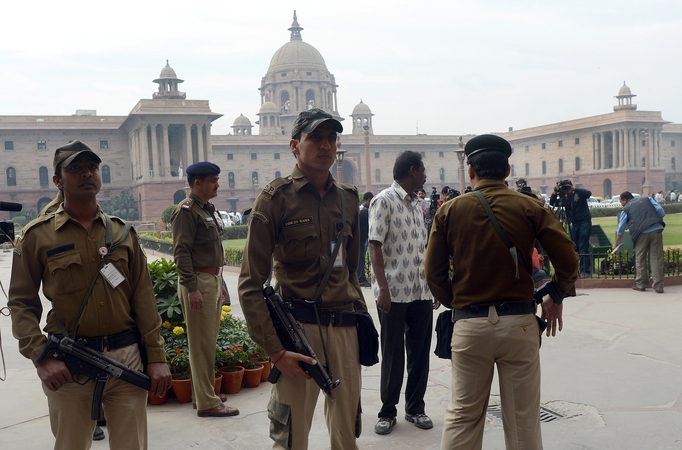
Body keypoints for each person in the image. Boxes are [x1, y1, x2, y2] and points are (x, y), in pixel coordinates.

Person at [8, 140, 172, 450]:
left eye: (92, 168)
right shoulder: (37, 236)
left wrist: (156, 357)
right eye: (75, 169)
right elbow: (20, 303)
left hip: (126, 359)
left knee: (132, 445)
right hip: (69, 365)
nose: (86, 174)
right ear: (58, 180)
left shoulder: (123, 234)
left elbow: (143, 298)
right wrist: (41, 356)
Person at [425, 134, 578, 450]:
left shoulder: (449, 211)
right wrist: (556, 294)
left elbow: (433, 273)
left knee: (463, 419)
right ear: (507, 170)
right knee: (523, 422)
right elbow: (568, 259)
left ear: (471, 172)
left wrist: (459, 303)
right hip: (518, 323)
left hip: (469, 326)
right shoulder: (529, 206)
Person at [238, 108, 366, 450]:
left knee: (347, 434)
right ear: (295, 145)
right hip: (297, 333)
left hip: (343, 329)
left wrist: (361, 324)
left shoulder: (348, 199)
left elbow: (351, 271)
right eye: (315, 138)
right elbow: (251, 284)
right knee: (291, 436)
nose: (325, 145)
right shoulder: (275, 199)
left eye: (331, 138)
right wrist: (276, 351)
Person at [369, 151, 437, 435]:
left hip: (419, 290)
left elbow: (422, 248)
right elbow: (374, 246)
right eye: (422, 170)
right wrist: (382, 288)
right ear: (412, 171)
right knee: (394, 356)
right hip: (394, 293)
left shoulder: (418, 204)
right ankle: (387, 412)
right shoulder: (384, 201)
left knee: (420, 354)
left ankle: (415, 408)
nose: (425, 174)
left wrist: (432, 286)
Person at [171, 161, 239, 418]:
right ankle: (207, 403)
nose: (217, 184)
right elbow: (182, 252)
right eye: (212, 180)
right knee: (200, 344)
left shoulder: (205, 209)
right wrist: (192, 289)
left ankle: (204, 392)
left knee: (207, 341)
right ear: (197, 183)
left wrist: (219, 283)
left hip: (210, 280)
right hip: (197, 282)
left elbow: (212, 252)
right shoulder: (187, 211)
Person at [612, 191, 666, 293]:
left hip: (641, 232)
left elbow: (621, 229)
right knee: (656, 258)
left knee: (640, 257)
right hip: (656, 229)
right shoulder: (647, 199)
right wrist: (657, 221)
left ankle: (641, 284)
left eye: (621, 201)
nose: (621, 204)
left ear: (625, 200)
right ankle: (659, 286)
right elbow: (660, 210)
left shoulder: (626, 209)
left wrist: (616, 243)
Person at [549, 179, 592, 278]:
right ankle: (576, 270)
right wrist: (555, 192)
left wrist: (574, 189)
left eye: (568, 187)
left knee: (583, 247)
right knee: (575, 247)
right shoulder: (565, 199)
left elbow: (588, 193)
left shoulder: (579, 194)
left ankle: (585, 271)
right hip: (574, 224)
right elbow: (552, 203)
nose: (566, 190)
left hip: (584, 222)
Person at [357, 191, 374, 287]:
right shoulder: (366, 212)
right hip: (360, 238)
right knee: (360, 259)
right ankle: (361, 279)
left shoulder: (364, 212)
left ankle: (360, 277)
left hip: (361, 238)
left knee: (360, 258)